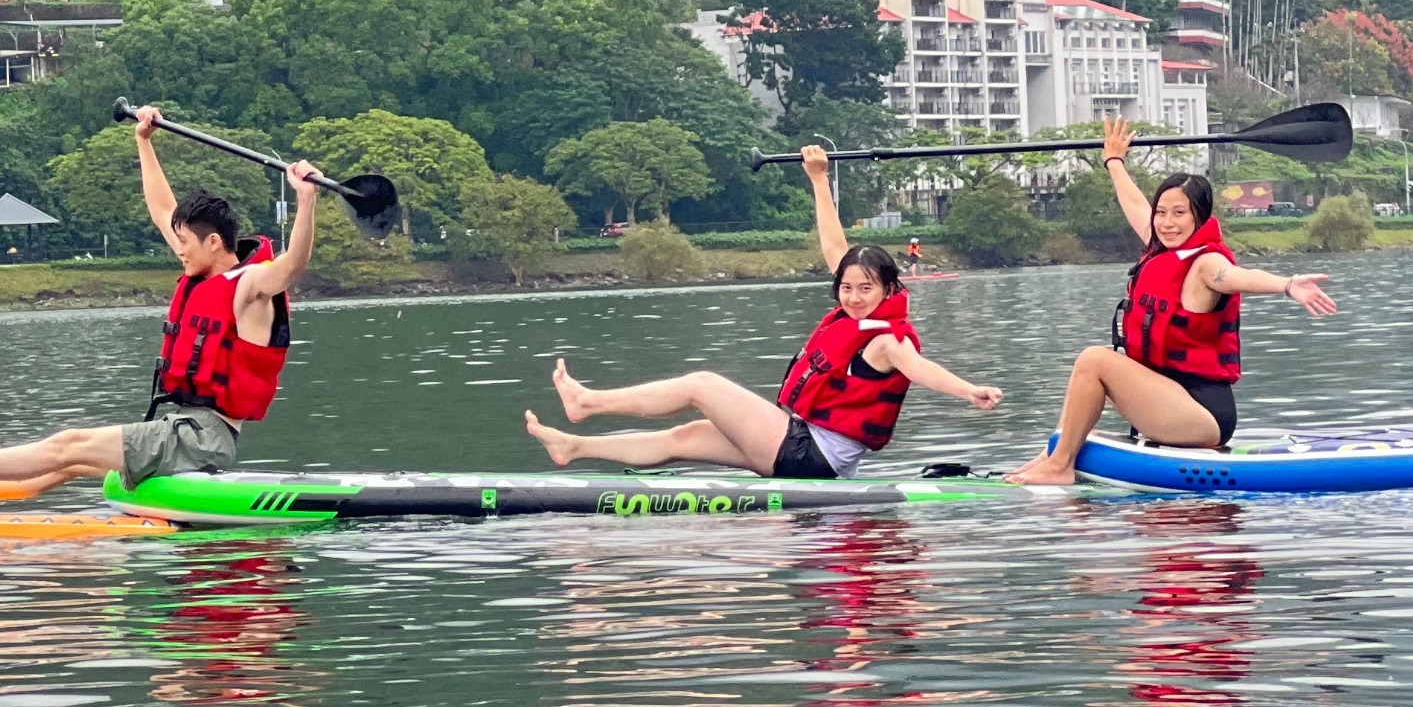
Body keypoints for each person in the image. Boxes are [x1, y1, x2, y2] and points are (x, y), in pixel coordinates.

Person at [0, 104, 323, 506]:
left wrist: (306, 199)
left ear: (214, 242)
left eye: (185, 243)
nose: (179, 251)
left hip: (205, 438)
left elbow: (293, 264)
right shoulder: (203, 271)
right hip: (182, 427)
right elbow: (161, 208)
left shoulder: (248, 284)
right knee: (73, 462)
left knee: (68, 443)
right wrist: (144, 141)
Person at [524, 144, 1003, 477]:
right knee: (685, 437)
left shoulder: (885, 339)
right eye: (847, 288)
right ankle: (573, 447)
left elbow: (920, 369)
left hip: (814, 455)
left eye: (866, 289)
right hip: (800, 438)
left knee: (701, 385)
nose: (853, 297)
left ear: (888, 289)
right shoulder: (853, 311)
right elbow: (835, 244)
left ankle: (589, 404)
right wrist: (817, 179)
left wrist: (969, 391)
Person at [1010, 122, 1337, 484]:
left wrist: (1288, 285)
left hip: (1202, 412)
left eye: (1179, 213)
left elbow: (1237, 277)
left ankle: (1059, 467)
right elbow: (1133, 201)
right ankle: (1047, 462)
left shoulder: (1206, 264)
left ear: (1199, 217)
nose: (1167, 222)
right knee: (1086, 386)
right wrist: (1114, 160)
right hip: (1167, 397)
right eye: (1161, 212)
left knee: (1095, 359)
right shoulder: (1160, 246)